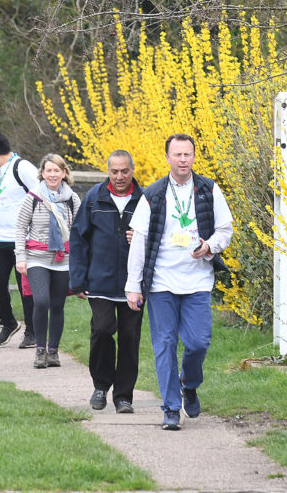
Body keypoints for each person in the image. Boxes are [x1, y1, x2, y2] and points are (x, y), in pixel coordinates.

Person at [125, 133, 233, 430]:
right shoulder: (153, 194)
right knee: (165, 344)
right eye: (178, 154)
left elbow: (225, 229)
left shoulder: (209, 189)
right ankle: (171, 407)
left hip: (197, 280)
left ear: (194, 157)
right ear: (168, 158)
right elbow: (140, 241)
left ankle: (190, 383)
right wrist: (133, 286)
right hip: (161, 283)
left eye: (188, 154)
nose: (183, 159)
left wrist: (209, 246)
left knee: (198, 342)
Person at [70, 150, 144, 412]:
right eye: (115, 171)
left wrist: (141, 239)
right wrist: (78, 280)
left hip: (133, 284)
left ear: (132, 170)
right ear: (108, 171)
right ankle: (101, 386)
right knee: (102, 329)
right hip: (99, 281)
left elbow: (157, 237)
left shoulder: (144, 200)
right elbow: (78, 238)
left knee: (129, 338)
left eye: (125, 171)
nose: (120, 176)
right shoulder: (94, 199)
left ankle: (123, 396)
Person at [15, 154, 80, 368]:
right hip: (37, 258)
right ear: (42, 173)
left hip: (64, 259)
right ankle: (40, 349)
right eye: (48, 170)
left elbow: (80, 231)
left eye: (57, 170)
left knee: (58, 305)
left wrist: (80, 261)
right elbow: (20, 228)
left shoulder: (72, 199)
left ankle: (53, 351)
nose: (52, 174)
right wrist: (20, 258)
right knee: (41, 301)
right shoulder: (33, 197)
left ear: (64, 173)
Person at [0, 131, 39, 347]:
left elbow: (40, 196)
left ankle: (32, 332)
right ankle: (9, 322)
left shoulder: (22, 168)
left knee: (26, 288)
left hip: (22, 239)